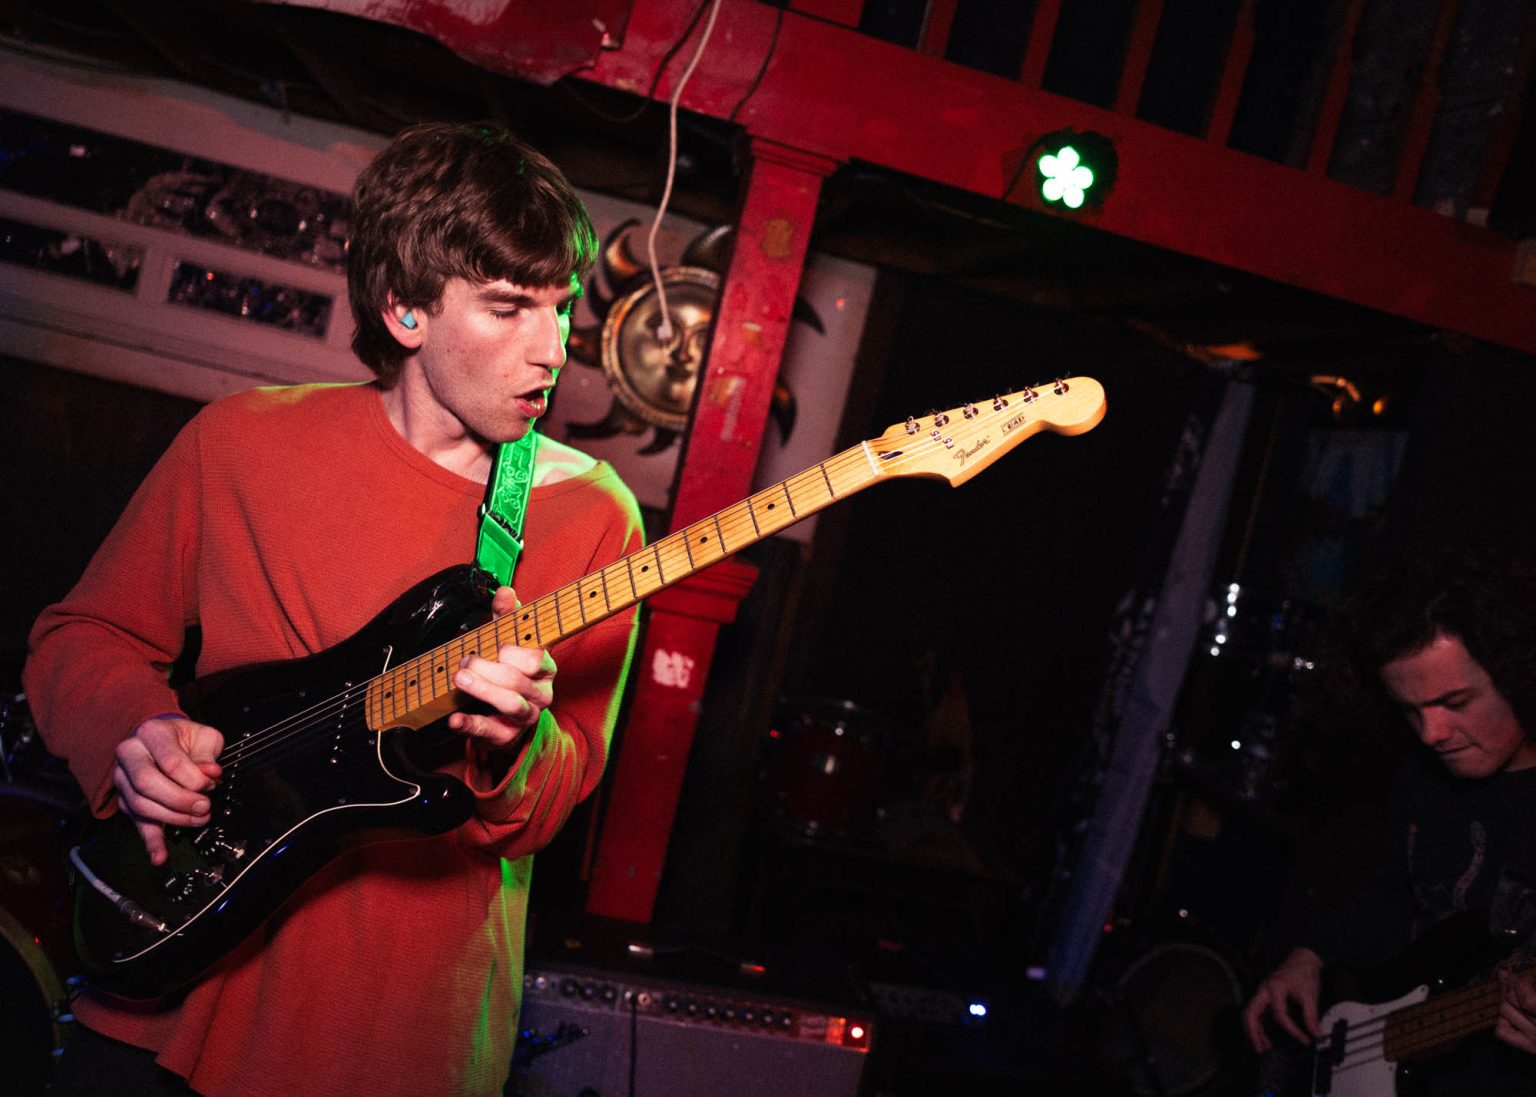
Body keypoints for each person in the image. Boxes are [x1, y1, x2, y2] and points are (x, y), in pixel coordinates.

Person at [24, 122, 643, 1097]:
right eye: (509, 308)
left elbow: (557, 793)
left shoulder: (588, 513)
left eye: (560, 309)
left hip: (374, 1032)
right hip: (168, 969)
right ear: (404, 310)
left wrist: (514, 744)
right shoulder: (241, 441)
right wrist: (130, 730)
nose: (552, 348)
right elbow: (85, 632)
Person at [1242, 549, 1536, 1094]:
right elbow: (1397, 897)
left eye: (1455, 700)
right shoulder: (1424, 775)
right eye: (1411, 709)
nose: (1431, 734)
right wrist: (1311, 955)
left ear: (1520, 672)